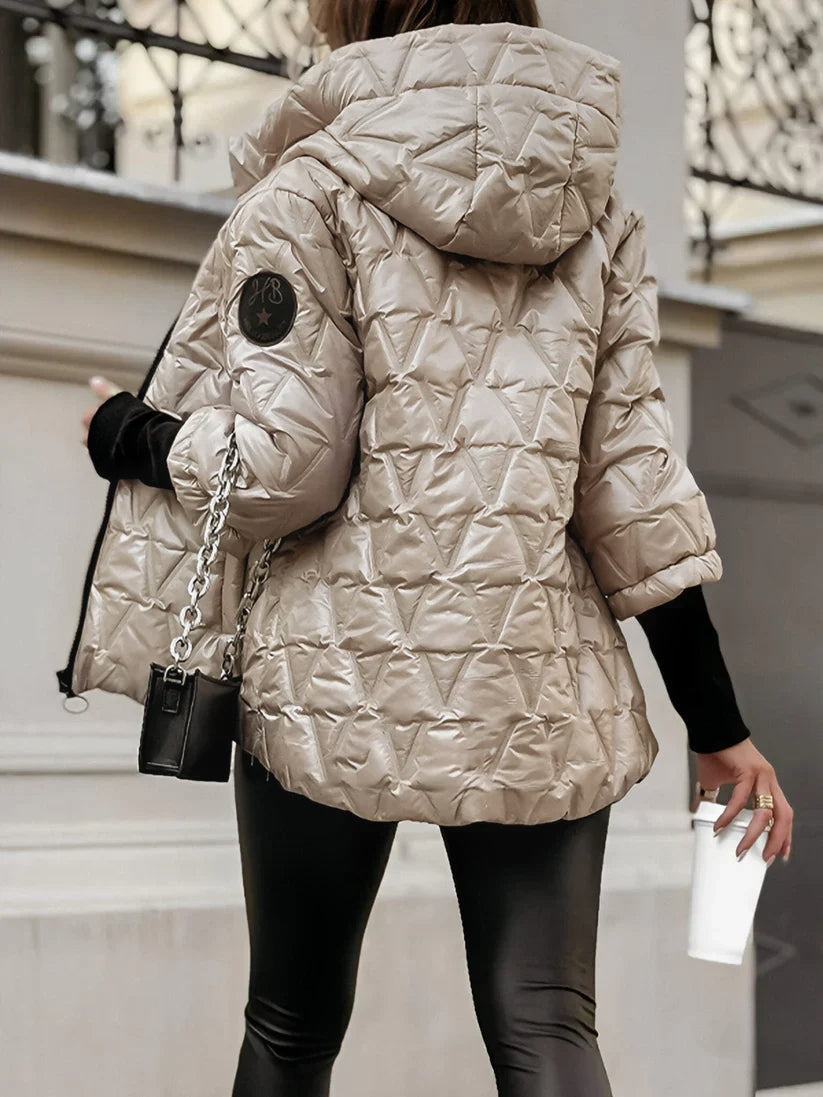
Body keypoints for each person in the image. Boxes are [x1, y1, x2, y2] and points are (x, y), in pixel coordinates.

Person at [64, 3, 793, 1094]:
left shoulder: (307, 193)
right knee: (547, 1026)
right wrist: (717, 724)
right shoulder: (594, 213)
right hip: (536, 680)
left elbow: (280, 471)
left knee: (291, 1024)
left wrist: (131, 434)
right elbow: (631, 491)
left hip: (330, 670)